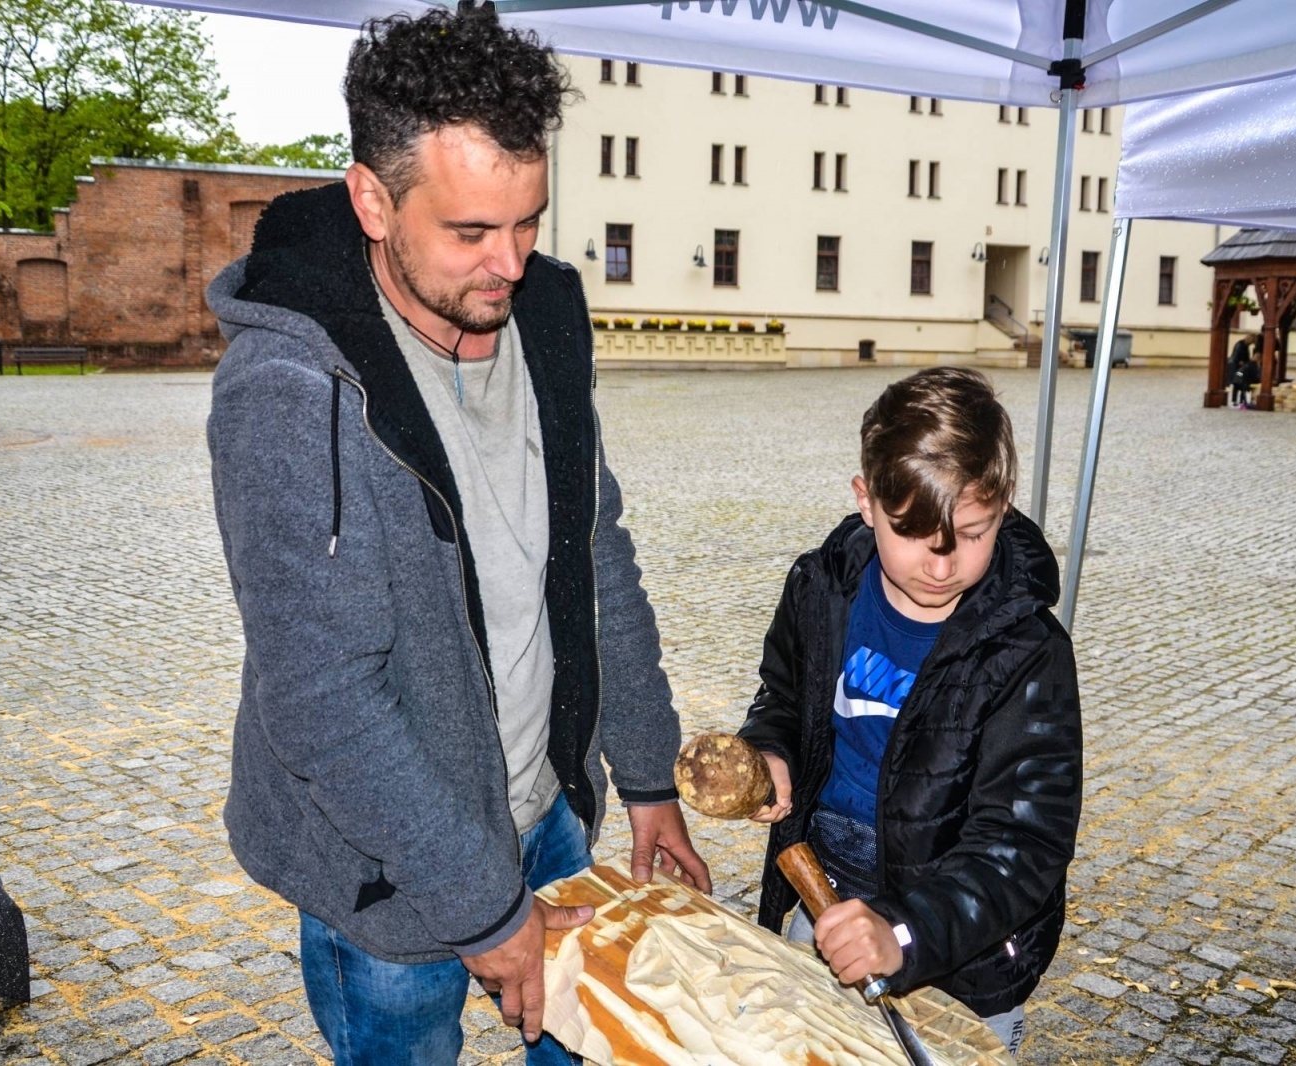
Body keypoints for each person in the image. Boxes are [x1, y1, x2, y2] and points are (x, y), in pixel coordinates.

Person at [203, 8, 710, 1065]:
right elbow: (322, 701)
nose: (511, 263)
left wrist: (649, 774)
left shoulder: (550, 317)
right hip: (386, 871)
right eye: (473, 232)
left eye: (528, 221)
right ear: (372, 200)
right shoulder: (289, 390)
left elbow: (594, 557)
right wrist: (488, 915)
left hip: (549, 815)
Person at [737, 368, 1082, 1058]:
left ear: (1004, 506)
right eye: (915, 534)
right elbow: (783, 696)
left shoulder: (1027, 652)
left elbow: (1023, 846)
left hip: (961, 951)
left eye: (972, 533)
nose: (942, 565)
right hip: (823, 906)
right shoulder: (821, 589)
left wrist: (899, 931)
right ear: (867, 501)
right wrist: (771, 751)